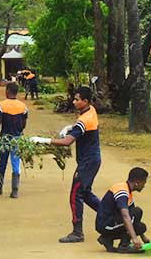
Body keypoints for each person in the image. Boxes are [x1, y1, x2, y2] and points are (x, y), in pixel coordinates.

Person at [30, 86, 101, 243]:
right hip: (92, 160)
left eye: (77, 99)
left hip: (88, 162)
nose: (74, 102)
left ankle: (77, 232)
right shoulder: (91, 111)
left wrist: (44, 140)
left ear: (85, 101)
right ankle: (112, 214)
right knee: (86, 193)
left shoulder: (84, 119)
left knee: (76, 194)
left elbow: (67, 142)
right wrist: (71, 127)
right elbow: (85, 129)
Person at [0, 82, 28, 198]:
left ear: (8, 91)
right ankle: (15, 190)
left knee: (3, 163)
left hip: (5, 138)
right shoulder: (23, 107)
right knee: (15, 163)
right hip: (17, 138)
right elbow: (23, 125)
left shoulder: (2, 105)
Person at [95, 167, 150, 254]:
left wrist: (143, 237)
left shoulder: (127, 190)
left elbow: (134, 219)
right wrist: (134, 238)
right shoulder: (122, 192)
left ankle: (107, 238)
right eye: (144, 183)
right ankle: (124, 246)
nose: (144, 186)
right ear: (137, 183)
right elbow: (125, 216)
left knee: (141, 227)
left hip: (112, 222)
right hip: (105, 224)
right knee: (137, 212)